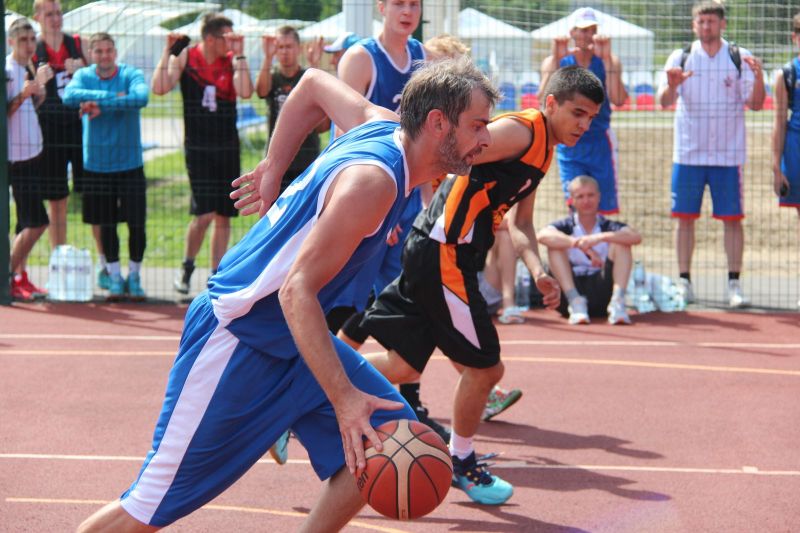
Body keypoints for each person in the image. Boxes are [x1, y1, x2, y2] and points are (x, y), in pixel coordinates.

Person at [77, 59, 497, 532]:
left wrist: (273, 169)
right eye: (477, 125)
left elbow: (313, 83)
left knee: (386, 439)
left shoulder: (379, 125)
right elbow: (296, 292)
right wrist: (344, 398)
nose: (486, 138)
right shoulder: (374, 182)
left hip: (293, 340)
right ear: (438, 122)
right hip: (239, 337)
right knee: (146, 509)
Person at [360, 65, 604, 505]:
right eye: (578, 113)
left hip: (443, 249)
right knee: (487, 370)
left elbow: (521, 223)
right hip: (444, 249)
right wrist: (398, 203)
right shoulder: (521, 132)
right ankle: (461, 461)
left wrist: (538, 270)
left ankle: (299, 389)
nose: (584, 125)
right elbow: (453, 149)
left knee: (403, 366)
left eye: (591, 118)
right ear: (551, 104)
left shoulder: (543, 151)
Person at [657, 1, 765, 308]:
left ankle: (734, 284)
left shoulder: (738, 56)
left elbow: (756, 104)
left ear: (723, 24)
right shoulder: (681, 56)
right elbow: (663, 101)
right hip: (688, 153)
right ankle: (684, 282)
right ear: (694, 25)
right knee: (684, 219)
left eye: (712, 21)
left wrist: (759, 78)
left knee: (732, 220)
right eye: (701, 21)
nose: (706, 26)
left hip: (728, 156)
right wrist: (672, 86)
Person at [151, 13, 253, 295]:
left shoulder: (232, 59)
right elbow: (159, 87)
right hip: (198, 148)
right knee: (204, 214)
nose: (231, 41)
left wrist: (240, 55)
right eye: (227, 37)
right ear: (210, 38)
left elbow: (246, 92)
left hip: (227, 146)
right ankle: (186, 268)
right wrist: (167, 53)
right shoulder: (187, 56)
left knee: (223, 215)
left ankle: (215, 276)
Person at [63, 33, 149, 301]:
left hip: (131, 164)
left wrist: (101, 104)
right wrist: (111, 96)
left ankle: (134, 276)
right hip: (97, 166)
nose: (104, 55)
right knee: (107, 225)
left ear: (115, 52)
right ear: (91, 54)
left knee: (137, 224)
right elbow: (69, 96)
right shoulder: (84, 75)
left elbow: (141, 98)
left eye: (109, 50)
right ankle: (114, 277)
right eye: (99, 51)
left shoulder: (130, 73)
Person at [540, 7, 628, 215]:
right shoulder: (557, 61)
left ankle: (601, 235)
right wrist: (555, 59)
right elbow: (543, 99)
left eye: (592, 30)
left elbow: (618, 99)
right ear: (572, 32)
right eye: (583, 30)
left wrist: (607, 60)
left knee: (604, 205)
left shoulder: (608, 60)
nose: (588, 35)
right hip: (569, 141)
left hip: (599, 140)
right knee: (576, 203)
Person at [539, 176, 642, 325]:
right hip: (569, 295)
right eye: (580, 196)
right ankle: (575, 302)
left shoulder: (608, 226)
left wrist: (598, 238)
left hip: (602, 293)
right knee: (554, 246)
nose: (586, 201)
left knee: (621, 242)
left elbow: (636, 237)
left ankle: (617, 302)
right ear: (571, 200)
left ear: (599, 197)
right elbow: (542, 235)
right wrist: (578, 244)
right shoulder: (565, 225)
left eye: (590, 195)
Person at [31, 0, 86, 252]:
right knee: (56, 199)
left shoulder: (77, 44)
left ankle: (105, 262)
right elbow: (23, 95)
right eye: (49, 14)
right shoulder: (33, 50)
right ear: (38, 17)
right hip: (48, 131)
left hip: (78, 128)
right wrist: (38, 81)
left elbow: (101, 74)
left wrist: (83, 70)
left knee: (92, 194)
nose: (55, 19)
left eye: (58, 13)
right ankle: (58, 256)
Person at [6, 18, 49, 301]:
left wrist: (39, 92)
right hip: (17, 158)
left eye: (32, 39)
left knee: (24, 223)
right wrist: (25, 93)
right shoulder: (8, 70)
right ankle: (6, 275)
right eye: (23, 40)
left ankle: (21, 278)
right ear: (11, 42)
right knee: (38, 222)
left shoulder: (28, 67)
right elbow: (7, 111)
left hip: (33, 154)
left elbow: (29, 106)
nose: (29, 45)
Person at [256, 26, 327, 193]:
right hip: (278, 160)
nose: (284, 52)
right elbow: (261, 91)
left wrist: (315, 65)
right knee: (274, 207)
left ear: (298, 49)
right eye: (280, 47)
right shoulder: (272, 76)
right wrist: (267, 58)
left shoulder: (308, 77)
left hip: (307, 157)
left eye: (289, 46)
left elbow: (323, 126)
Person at [771, 13, 800, 309]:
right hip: (796, 151)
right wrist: (776, 168)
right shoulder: (787, 75)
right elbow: (779, 122)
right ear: (795, 38)